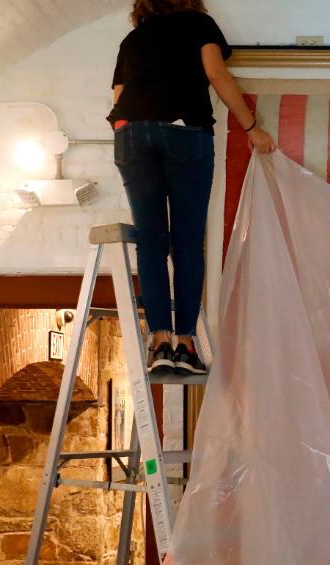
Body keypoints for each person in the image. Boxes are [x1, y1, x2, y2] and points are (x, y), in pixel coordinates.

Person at [108, 0, 275, 376]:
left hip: (131, 134)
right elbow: (216, 74)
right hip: (184, 131)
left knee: (151, 239)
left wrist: (130, 131)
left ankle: (159, 341)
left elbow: (119, 98)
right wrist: (252, 128)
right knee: (185, 239)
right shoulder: (199, 24)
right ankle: (185, 343)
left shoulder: (132, 39)